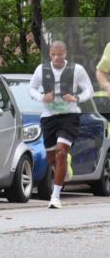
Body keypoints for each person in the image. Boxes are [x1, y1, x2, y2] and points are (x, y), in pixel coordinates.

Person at [28, 41, 94, 209]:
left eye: (60, 54)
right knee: (52, 158)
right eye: (53, 54)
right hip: (49, 117)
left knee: (61, 152)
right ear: (49, 54)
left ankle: (55, 197)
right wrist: (42, 97)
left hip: (69, 116)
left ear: (66, 54)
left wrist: (76, 98)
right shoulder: (41, 70)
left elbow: (89, 90)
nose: (57, 58)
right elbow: (32, 89)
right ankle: (65, 168)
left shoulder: (76, 70)